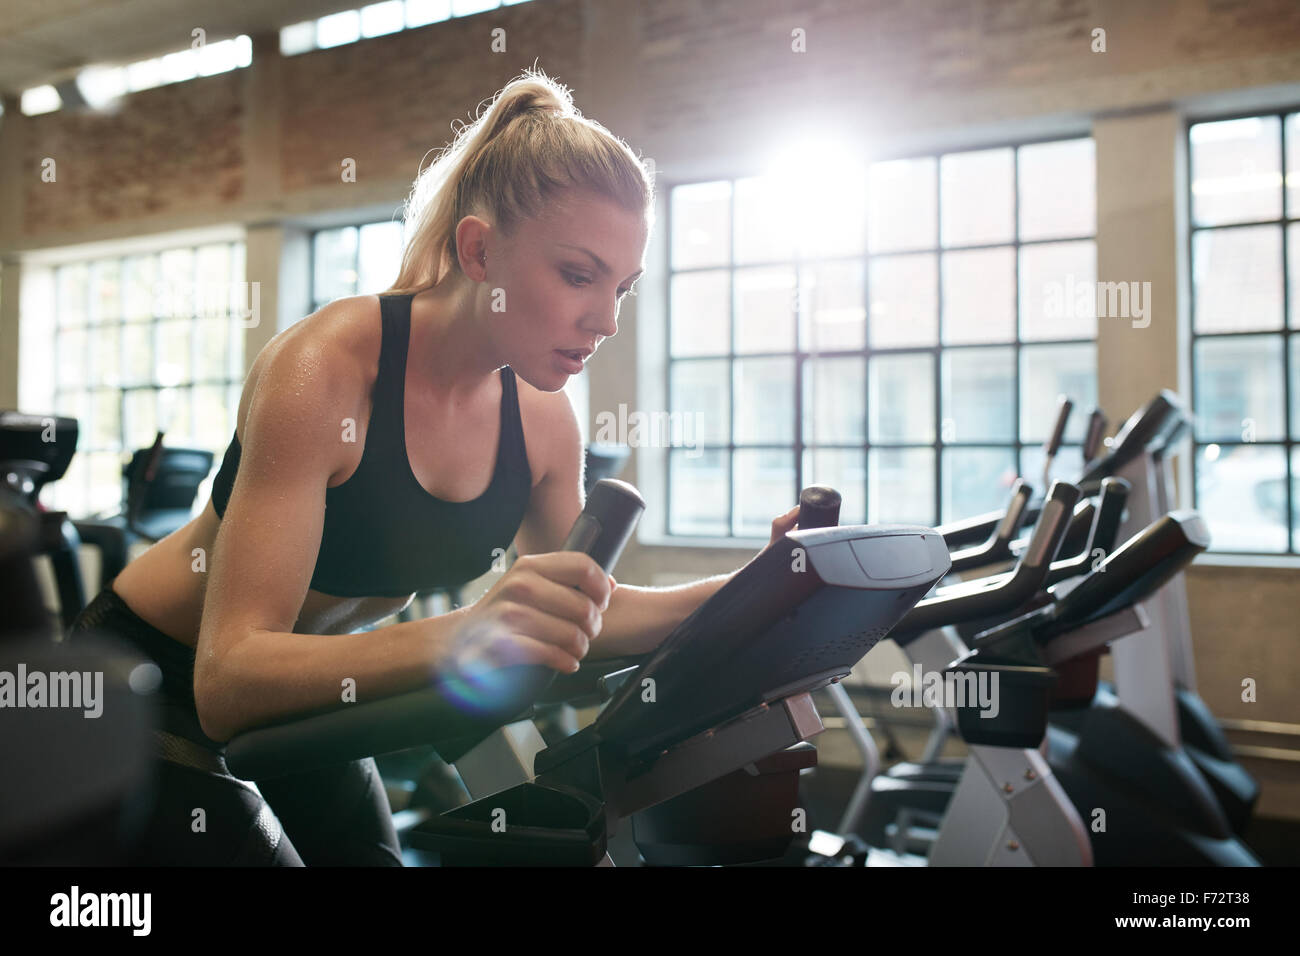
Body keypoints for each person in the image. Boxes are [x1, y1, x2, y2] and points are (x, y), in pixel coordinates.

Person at [66, 68, 802, 866]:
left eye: (621, 287)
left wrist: (761, 586)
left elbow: (587, 612)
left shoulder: (544, 419)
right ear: (479, 249)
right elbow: (228, 674)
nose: (607, 319)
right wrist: (471, 633)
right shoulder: (329, 371)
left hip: (309, 692)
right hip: (147, 686)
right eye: (578, 275)